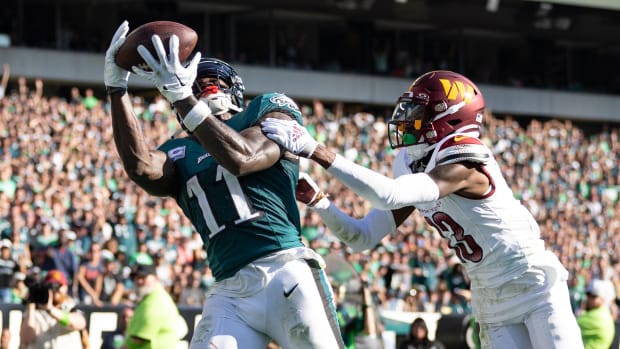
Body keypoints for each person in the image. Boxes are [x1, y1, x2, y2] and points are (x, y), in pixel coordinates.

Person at [261, 70, 584, 349]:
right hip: (490, 297)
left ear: (449, 117)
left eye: (419, 110)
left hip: (533, 284)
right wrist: (323, 203)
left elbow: (389, 195)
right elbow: (363, 237)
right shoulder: (414, 162)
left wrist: (316, 149)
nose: (407, 117)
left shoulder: (465, 159)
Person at [103, 21, 344, 348]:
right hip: (229, 290)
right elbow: (141, 168)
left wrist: (183, 97)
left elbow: (243, 158)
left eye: (216, 80)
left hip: (285, 271)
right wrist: (117, 89)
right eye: (197, 84)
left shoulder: (267, 109)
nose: (208, 86)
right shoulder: (179, 150)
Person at [120, 264, 186, 349]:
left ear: (155, 279)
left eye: (143, 277)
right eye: (137, 278)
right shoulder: (151, 297)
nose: (139, 281)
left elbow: (138, 339)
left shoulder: (155, 301)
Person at [19, 269, 86, 348]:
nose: (55, 290)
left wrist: (50, 309)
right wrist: (31, 303)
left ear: (66, 287)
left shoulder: (70, 307)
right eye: (51, 286)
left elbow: (77, 324)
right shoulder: (35, 310)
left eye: (58, 286)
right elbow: (27, 339)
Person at [577, 279, 615, 349]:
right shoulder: (601, 313)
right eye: (588, 294)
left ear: (603, 298)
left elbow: (569, 327)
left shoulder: (598, 316)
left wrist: (581, 310)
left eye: (593, 296)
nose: (589, 298)